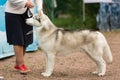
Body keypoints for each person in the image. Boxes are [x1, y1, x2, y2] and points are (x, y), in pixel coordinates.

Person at [5, 0, 43, 74]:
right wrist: (24, 3)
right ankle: (21, 64)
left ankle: (17, 64)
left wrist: (39, 8)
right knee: (17, 39)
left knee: (26, 40)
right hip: (13, 13)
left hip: (28, 13)